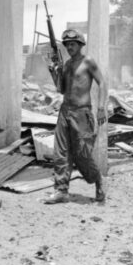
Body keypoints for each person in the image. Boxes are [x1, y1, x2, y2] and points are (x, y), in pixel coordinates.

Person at [44, 29, 107, 204]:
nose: (69, 47)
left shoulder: (88, 62)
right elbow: (62, 89)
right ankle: (61, 190)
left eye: (73, 44)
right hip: (65, 111)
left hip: (82, 112)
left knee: (82, 154)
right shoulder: (67, 65)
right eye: (67, 45)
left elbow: (102, 82)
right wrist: (55, 73)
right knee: (61, 152)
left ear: (80, 45)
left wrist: (101, 107)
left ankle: (98, 180)